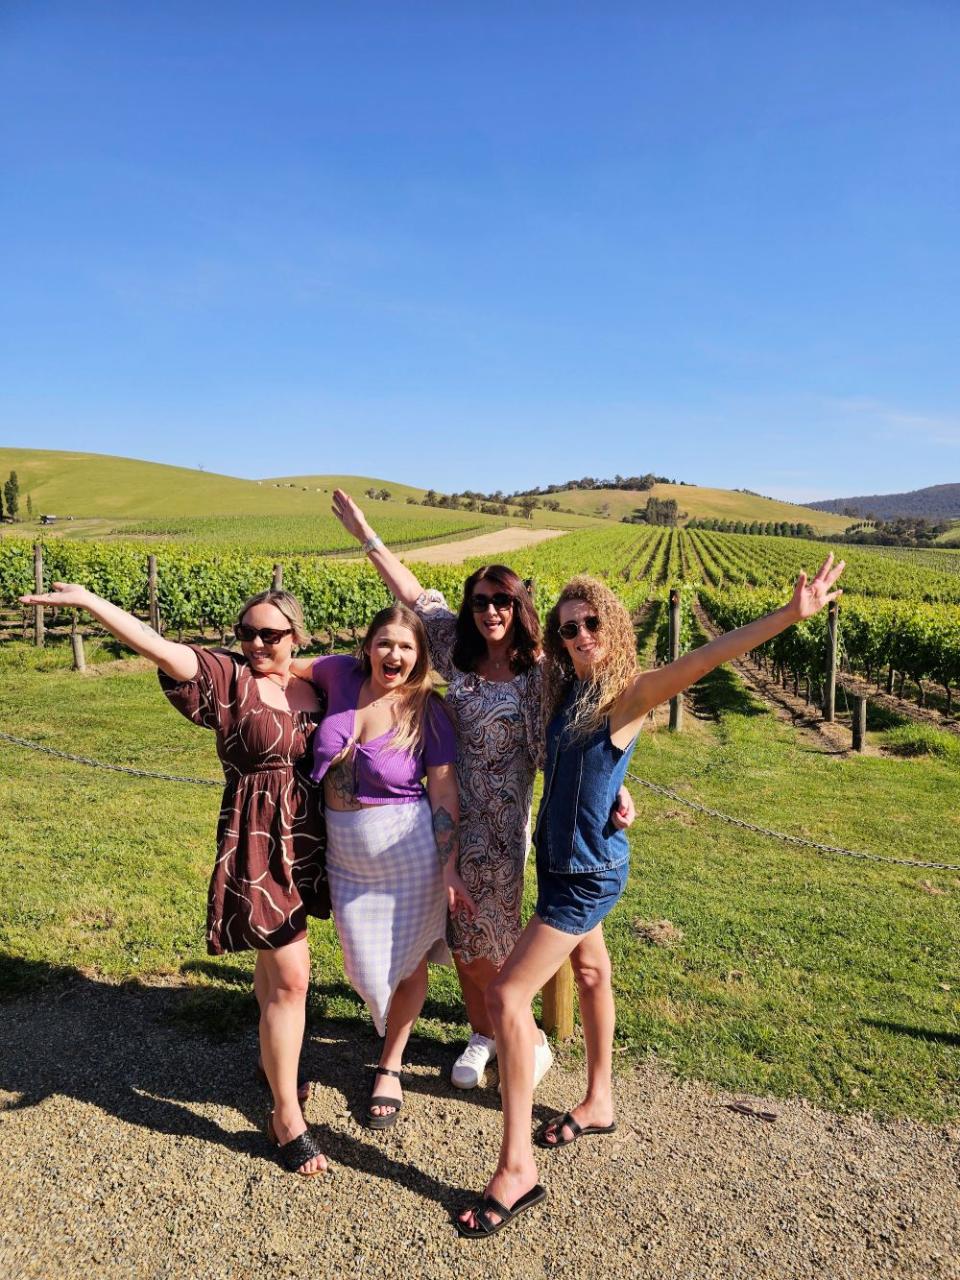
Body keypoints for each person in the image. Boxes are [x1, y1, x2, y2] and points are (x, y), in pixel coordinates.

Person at [458, 555, 846, 1238]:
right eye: (568, 627)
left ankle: (515, 1169)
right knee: (591, 972)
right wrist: (618, 790)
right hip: (567, 862)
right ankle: (599, 1101)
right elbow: (584, 768)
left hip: (584, 877)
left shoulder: (627, 695)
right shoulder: (568, 691)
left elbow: (704, 658)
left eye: (591, 623)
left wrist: (789, 615)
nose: (580, 635)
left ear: (612, 627)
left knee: (507, 999)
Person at [18, 583, 331, 1177]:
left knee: (273, 967)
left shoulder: (317, 683)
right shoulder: (228, 678)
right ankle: (285, 1114)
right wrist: (91, 603)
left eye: (269, 634)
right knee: (292, 978)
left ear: (295, 636)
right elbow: (157, 646)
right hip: (257, 837)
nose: (256, 644)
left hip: (307, 835)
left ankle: (274, 1061)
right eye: (247, 633)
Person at [330, 490, 635, 1092]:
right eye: (481, 601)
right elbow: (411, 592)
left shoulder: (542, 673)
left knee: (490, 935)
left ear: (519, 606)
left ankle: (527, 1037)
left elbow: (582, 738)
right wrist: (367, 536)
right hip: (443, 818)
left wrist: (615, 792)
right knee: (461, 938)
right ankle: (484, 1032)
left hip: (500, 827)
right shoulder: (455, 650)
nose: (491, 611)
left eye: (502, 601)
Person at [292, 603, 475, 1128]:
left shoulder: (428, 711)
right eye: (385, 643)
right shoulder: (339, 675)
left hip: (408, 855)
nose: (394, 654)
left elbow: (443, 792)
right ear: (368, 646)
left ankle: (390, 1065)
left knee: (410, 960)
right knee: (364, 963)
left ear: (419, 656)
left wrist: (449, 867)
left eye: (406, 647)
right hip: (345, 855)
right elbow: (284, 666)